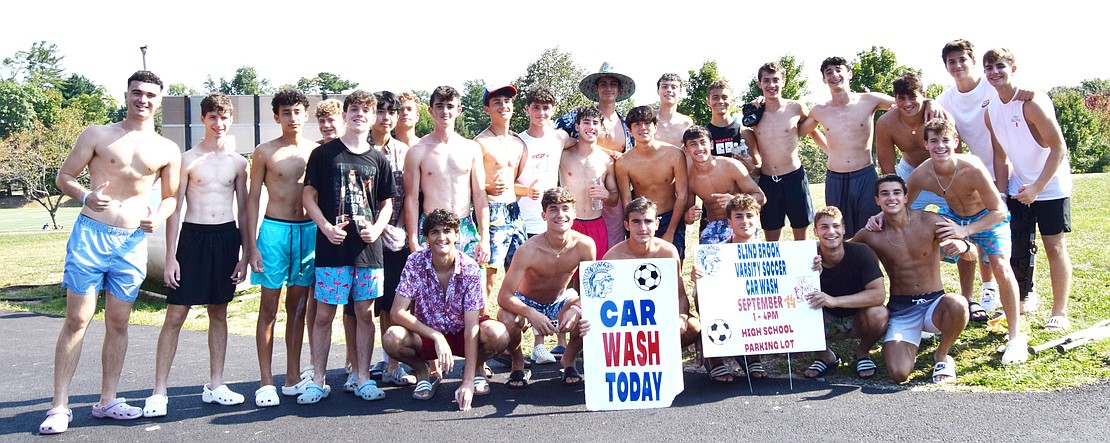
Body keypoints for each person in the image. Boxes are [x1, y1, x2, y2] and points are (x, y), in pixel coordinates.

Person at [42, 71, 181, 435]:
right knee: (78, 318)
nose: (143, 100)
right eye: (137, 93)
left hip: (132, 243)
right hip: (91, 236)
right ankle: (59, 406)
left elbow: (169, 198)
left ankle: (108, 400)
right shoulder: (97, 134)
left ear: (159, 100)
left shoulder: (167, 149)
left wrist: (158, 215)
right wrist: (85, 196)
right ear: (126, 95)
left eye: (151, 95)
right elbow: (64, 177)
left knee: (118, 322)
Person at [142, 93, 249, 417]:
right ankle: (159, 392)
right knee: (175, 315)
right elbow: (174, 210)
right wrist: (171, 257)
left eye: (224, 117)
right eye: (213, 117)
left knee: (219, 312)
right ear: (202, 120)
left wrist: (244, 255)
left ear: (231, 120)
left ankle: (216, 384)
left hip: (226, 238)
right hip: (193, 238)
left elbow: (244, 211)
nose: (219, 123)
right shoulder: (187, 159)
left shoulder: (239, 163)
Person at [300, 90, 396, 404]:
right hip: (332, 249)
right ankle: (318, 379)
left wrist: (378, 229)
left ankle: (363, 377)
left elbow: (385, 204)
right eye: (354, 109)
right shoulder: (325, 155)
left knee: (365, 314)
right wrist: (326, 227)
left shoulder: (378, 158)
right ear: (345, 115)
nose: (359, 115)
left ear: (372, 118)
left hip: (368, 252)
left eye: (365, 111)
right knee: (324, 315)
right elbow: (308, 198)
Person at [876, 72, 990, 322]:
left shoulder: (939, 115)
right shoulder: (886, 122)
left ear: (923, 95)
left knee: (960, 228)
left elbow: (955, 156)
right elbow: (887, 169)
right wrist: (893, 199)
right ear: (895, 100)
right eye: (901, 98)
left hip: (943, 174)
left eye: (913, 97)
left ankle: (968, 297)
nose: (907, 104)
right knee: (898, 226)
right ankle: (908, 296)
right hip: (910, 176)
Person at [936, 39, 1033, 314]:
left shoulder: (991, 84)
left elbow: (1018, 90)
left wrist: (1029, 90)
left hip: (1010, 170)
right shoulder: (945, 99)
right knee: (973, 234)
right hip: (975, 175)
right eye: (951, 62)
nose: (957, 66)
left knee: (1006, 237)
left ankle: (1017, 293)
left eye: (962, 60)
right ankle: (979, 293)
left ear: (973, 61)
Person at [983, 48, 1074, 332]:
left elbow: (1059, 148)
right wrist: (1001, 193)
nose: (994, 72)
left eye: (1000, 66)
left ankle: (1059, 312)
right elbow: (1000, 157)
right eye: (989, 68)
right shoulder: (990, 111)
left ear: (1013, 68)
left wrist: (1037, 187)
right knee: (1017, 247)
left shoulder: (1031, 103)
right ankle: (1021, 301)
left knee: (1054, 248)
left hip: (1050, 187)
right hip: (1018, 187)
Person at [383, 209, 510, 410]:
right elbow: (396, 312)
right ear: (426, 238)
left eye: (447, 231)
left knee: (499, 334)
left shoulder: (469, 268)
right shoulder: (415, 262)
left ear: (457, 235)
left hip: (462, 333)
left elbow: (471, 326)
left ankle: (475, 370)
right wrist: (436, 336)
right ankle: (423, 372)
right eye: (435, 232)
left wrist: (467, 383)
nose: (441, 237)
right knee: (391, 337)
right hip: (428, 336)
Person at [852, 175, 973, 383]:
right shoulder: (871, 234)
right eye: (885, 194)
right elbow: (840, 251)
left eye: (897, 193)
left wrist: (964, 247)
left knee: (958, 303)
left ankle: (942, 354)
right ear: (877, 200)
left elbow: (973, 255)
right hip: (901, 309)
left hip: (934, 303)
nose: (892, 198)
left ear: (906, 197)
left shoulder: (931, 221)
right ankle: (904, 343)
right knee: (899, 374)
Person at [246, 88, 318, 407]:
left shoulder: (317, 151)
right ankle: (265, 380)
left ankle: (291, 377)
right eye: (286, 112)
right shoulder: (263, 151)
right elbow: (251, 199)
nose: (292, 118)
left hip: (307, 233)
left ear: (306, 114)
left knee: (298, 308)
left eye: (297, 111)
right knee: (269, 308)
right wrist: (251, 245)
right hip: (274, 232)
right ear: (277, 116)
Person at [496, 187, 594, 387]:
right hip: (527, 301)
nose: (560, 215)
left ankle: (569, 359)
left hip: (560, 300)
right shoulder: (528, 250)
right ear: (544, 215)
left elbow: (591, 290)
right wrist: (530, 313)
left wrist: (576, 309)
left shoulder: (585, 245)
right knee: (505, 317)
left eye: (566, 209)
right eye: (553, 209)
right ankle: (517, 362)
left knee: (588, 313)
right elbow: (504, 296)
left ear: (574, 213)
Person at [357, 91, 416, 389]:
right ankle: (361, 366)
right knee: (367, 305)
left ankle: (393, 363)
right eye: (380, 111)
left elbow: (407, 196)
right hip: (363, 238)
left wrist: (403, 229)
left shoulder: (404, 151)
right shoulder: (357, 146)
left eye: (391, 112)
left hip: (395, 237)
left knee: (392, 301)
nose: (385, 118)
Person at [802, 57, 897, 237]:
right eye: (828, 72)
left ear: (849, 74)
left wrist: (930, 103)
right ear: (824, 79)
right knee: (838, 232)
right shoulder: (819, 111)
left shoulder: (870, 100)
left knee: (871, 231)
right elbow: (797, 131)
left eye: (839, 70)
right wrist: (828, 149)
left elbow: (904, 104)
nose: (834, 75)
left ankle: (869, 266)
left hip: (865, 176)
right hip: (835, 180)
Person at [515, 85, 571, 364]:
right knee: (533, 285)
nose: (541, 113)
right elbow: (503, 183)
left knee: (560, 280)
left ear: (553, 110)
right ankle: (536, 344)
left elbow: (587, 140)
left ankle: (561, 341)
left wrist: (611, 153)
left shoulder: (560, 137)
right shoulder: (517, 141)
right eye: (536, 107)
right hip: (525, 221)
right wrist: (525, 192)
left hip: (556, 219)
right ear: (527, 110)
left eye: (546, 107)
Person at [403, 86, 490, 264]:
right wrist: (413, 241)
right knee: (429, 289)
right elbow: (411, 199)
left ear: (458, 110)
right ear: (431, 110)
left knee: (470, 287)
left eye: (450, 106)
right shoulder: (417, 151)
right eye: (440, 106)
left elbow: (480, 195)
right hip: (431, 227)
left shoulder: (471, 149)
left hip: (463, 226)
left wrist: (485, 238)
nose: (445, 111)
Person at [556, 63, 636, 249]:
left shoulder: (626, 123)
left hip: (614, 193)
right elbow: (550, 135)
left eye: (613, 84)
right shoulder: (579, 116)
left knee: (611, 246)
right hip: (582, 195)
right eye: (603, 84)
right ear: (596, 88)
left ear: (619, 90)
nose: (608, 88)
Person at [602, 197, 701, 347]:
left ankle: (662, 354)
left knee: (693, 327)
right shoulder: (612, 257)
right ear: (626, 226)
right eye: (636, 222)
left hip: (659, 314)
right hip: (626, 318)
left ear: (657, 224)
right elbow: (603, 300)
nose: (642, 228)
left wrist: (681, 317)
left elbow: (680, 295)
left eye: (647, 221)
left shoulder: (668, 252)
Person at [802, 206, 887, 380]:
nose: (831, 232)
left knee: (879, 313)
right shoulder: (805, 256)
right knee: (796, 311)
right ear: (815, 231)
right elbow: (789, 297)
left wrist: (834, 301)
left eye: (836, 226)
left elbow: (879, 295)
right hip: (825, 319)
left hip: (858, 318)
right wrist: (810, 276)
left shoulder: (861, 252)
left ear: (844, 229)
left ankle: (862, 352)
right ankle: (824, 356)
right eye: (824, 227)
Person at [747, 62, 823, 241]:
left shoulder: (796, 107)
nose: (771, 85)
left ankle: (803, 270)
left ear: (783, 82)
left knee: (801, 238)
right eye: (766, 81)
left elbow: (812, 127)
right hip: (767, 181)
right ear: (759, 84)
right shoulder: (754, 113)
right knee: (772, 241)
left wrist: (828, 149)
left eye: (775, 80)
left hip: (794, 178)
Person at [475, 85, 528, 296]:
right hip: (492, 210)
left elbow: (513, 181)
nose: (503, 106)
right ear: (487, 109)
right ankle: (482, 317)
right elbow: (470, 184)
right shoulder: (480, 143)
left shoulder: (518, 142)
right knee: (490, 272)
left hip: (515, 210)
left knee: (519, 268)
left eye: (507, 101)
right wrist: (487, 187)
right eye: (496, 102)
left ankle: (515, 316)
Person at [614, 106, 688, 258]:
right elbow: (627, 199)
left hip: (670, 217)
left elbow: (682, 194)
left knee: (673, 267)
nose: (643, 128)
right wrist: (632, 227)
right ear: (629, 130)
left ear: (655, 127)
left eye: (647, 123)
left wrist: (671, 231)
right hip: (640, 220)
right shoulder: (623, 162)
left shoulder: (675, 155)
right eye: (637, 125)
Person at [681, 126, 764, 245]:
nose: (699, 148)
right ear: (686, 149)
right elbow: (687, 216)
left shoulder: (731, 166)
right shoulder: (689, 177)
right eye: (693, 144)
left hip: (739, 224)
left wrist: (736, 201)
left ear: (711, 145)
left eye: (703, 142)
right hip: (712, 227)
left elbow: (761, 197)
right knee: (708, 261)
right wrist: (689, 216)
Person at [559, 106, 618, 259]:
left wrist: (606, 195)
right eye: (586, 122)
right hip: (569, 223)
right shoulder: (563, 156)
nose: (591, 127)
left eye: (595, 123)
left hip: (596, 224)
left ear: (601, 127)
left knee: (593, 275)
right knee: (567, 276)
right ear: (577, 126)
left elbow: (614, 198)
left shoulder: (607, 161)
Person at [704, 80, 757, 169]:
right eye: (715, 97)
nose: (720, 101)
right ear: (708, 102)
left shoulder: (744, 132)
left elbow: (758, 169)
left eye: (724, 97)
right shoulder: (703, 135)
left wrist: (750, 166)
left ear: (732, 100)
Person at [654, 73, 694, 147]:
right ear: (658, 91)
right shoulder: (648, 120)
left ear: (680, 92)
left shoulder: (687, 123)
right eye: (665, 87)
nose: (669, 90)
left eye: (673, 87)